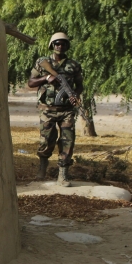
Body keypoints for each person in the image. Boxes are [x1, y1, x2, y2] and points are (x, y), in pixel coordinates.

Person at [26, 32, 84, 186]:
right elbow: (31, 83)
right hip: (47, 109)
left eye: (63, 43)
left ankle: (63, 174)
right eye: (57, 43)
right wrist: (46, 78)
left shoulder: (73, 65)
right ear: (52, 45)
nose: (60, 46)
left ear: (67, 46)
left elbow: (80, 85)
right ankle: (42, 167)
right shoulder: (42, 62)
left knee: (67, 141)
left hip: (67, 110)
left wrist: (74, 95)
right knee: (46, 140)